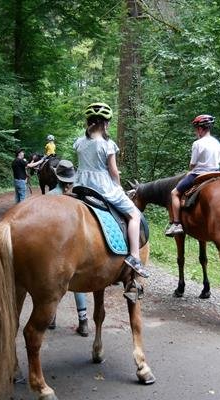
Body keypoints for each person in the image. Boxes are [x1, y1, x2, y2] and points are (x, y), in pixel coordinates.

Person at [73, 102, 149, 300]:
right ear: (105, 124)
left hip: (80, 185)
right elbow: (113, 171)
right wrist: (118, 185)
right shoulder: (107, 144)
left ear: (89, 122)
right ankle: (134, 256)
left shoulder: (80, 142)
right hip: (102, 187)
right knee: (134, 214)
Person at [45, 160, 89, 337]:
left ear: (57, 177)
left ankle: (51, 318)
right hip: (77, 246)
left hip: (54, 248)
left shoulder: (49, 197)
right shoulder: (79, 197)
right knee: (77, 282)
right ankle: (83, 321)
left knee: (53, 282)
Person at [165, 114, 220, 237]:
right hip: (216, 173)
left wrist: (191, 170)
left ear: (200, 129)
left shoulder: (197, 143)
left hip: (199, 174)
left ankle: (176, 224)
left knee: (174, 193)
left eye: (196, 128)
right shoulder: (216, 142)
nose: (196, 131)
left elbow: (192, 165)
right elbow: (219, 161)